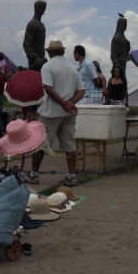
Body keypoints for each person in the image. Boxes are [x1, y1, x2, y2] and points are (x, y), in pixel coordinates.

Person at [26, 40, 85, 187]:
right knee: (69, 144)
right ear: (63, 52)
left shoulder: (47, 66)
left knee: (41, 143)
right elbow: (81, 90)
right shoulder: (72, 68)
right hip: (68, 113)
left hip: (51, 112)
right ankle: (72, 176)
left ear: (49, 52)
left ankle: (34, 174)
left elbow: (49, 88)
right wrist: (71, 103)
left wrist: (64, 103)